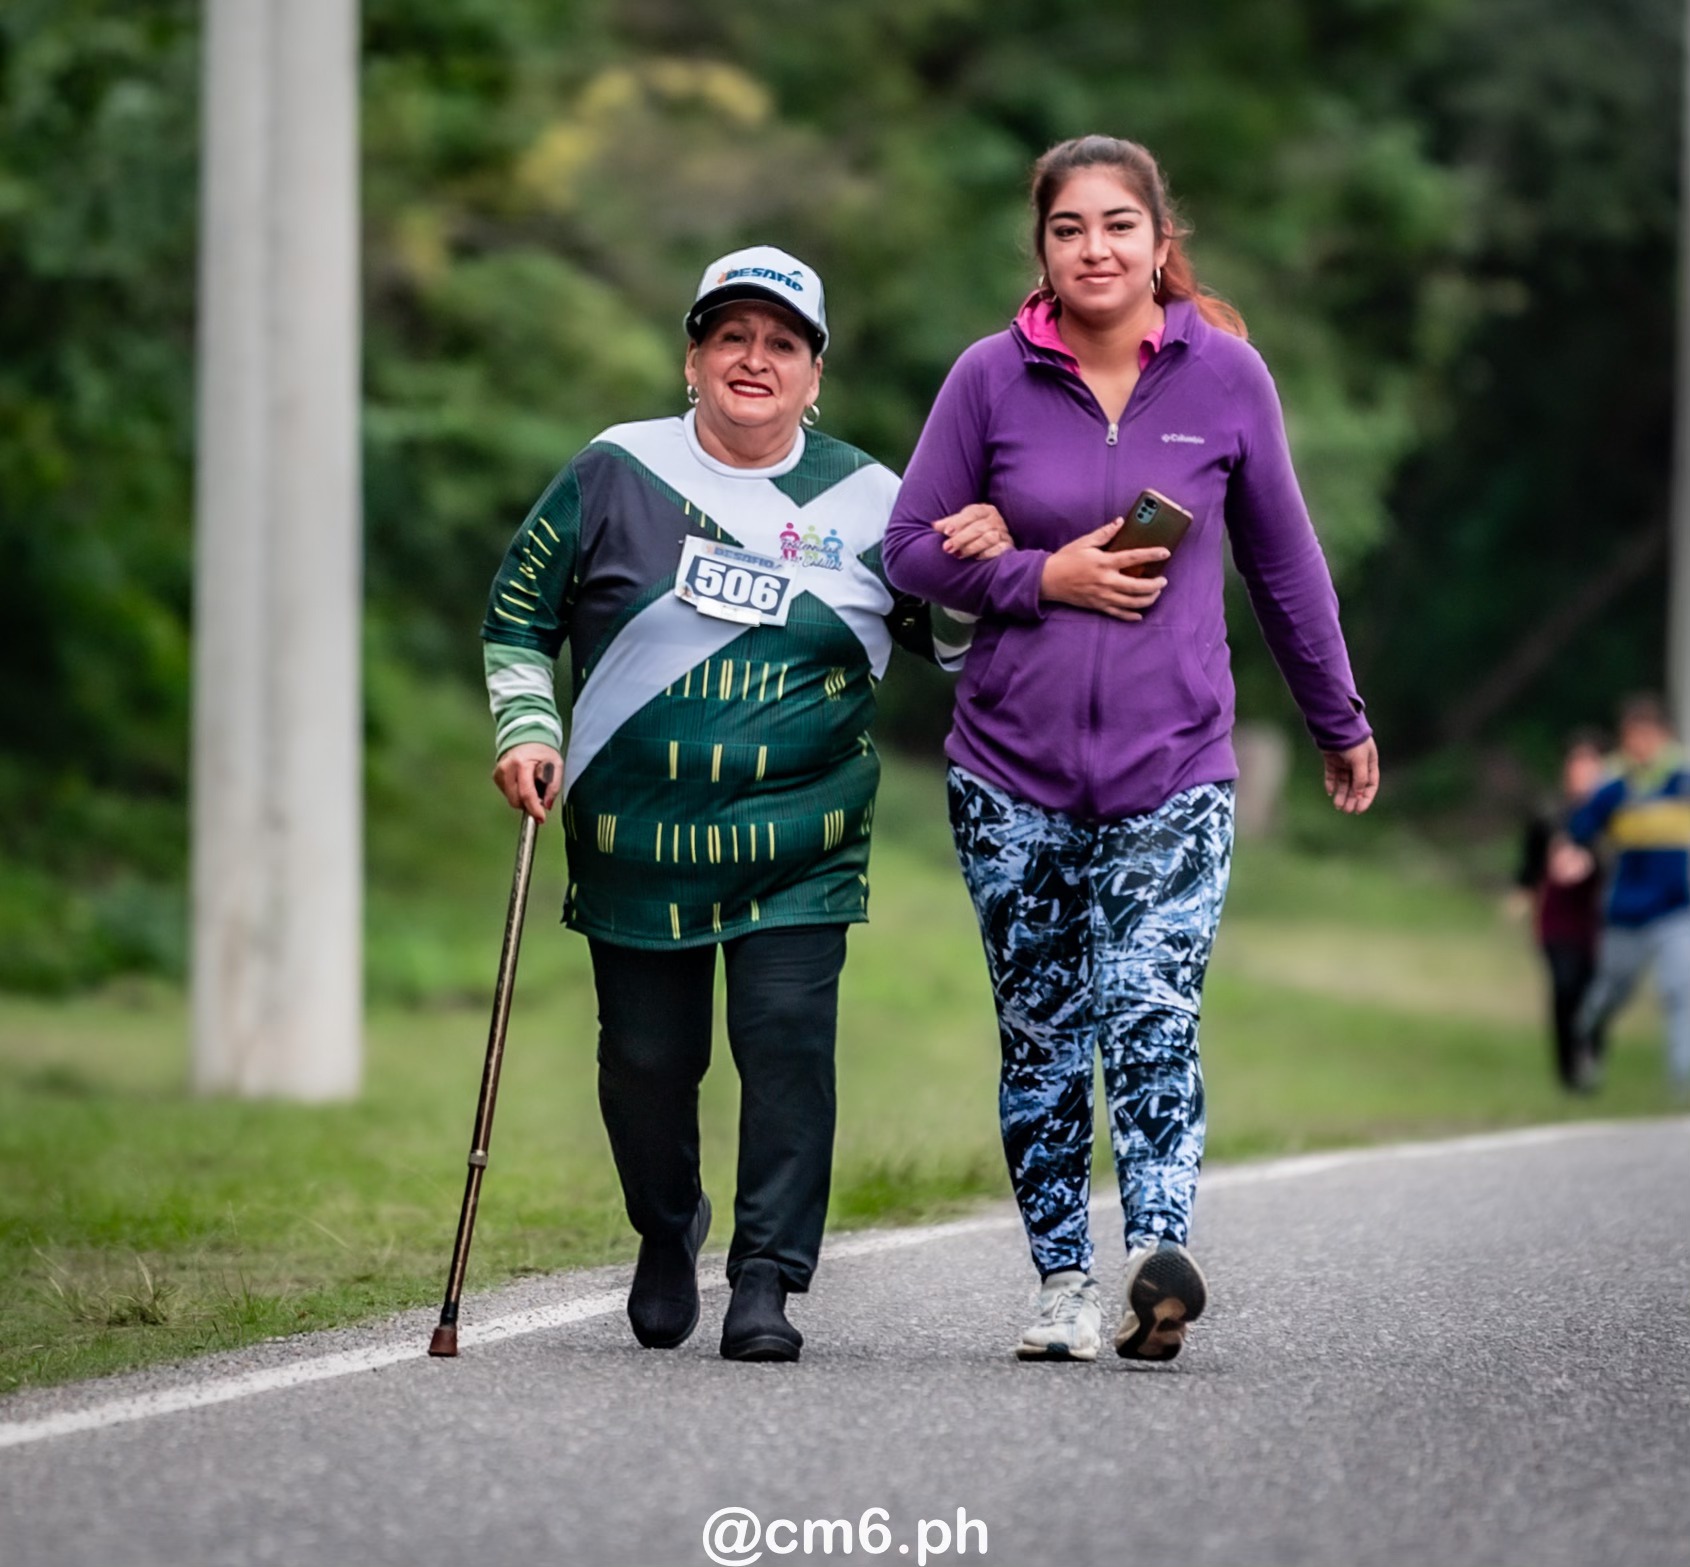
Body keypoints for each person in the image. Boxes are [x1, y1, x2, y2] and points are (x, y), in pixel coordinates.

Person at [883, 135, 1379, 1364]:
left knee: (1152, 1006)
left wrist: (1337, 715)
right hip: (1010, 772)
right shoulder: (988, 378)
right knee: (1044, 1033)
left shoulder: (1225, 379)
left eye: (1117, 225)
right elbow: (906, 549)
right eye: (1068, 228)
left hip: (1174, 766)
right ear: (1041, 249)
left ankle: (1158, 1255)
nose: (1093, 248)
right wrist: (1034, 574)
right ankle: (1060, 1280)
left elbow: (1284, 567)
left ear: (1161, 243)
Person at [480, 246, 999, 1361]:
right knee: (646, 1066)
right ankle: (666, 1225)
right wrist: (526, 726)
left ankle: (767, 1276)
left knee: (787, 1049)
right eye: (731, 337)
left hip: (802, 836)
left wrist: (973, 565)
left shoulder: (874, 499)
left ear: (815, 374)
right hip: (634, 837)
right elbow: (518, 617)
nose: (754, 359)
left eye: (781, 343)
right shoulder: (614, 470)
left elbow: (950, 644)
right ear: (692, 359)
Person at [1566, 694, 1690, 1096]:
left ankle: (1683, 1082)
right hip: (1627, 912)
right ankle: (1586, 1034)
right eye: (1633, 736)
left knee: (1681, 990)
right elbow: (1580, 830)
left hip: (1676, 909)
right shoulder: (1615, 785)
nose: (1640, 744)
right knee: (1612, 992)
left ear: (1663, 736)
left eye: (1647, 735)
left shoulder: (1682, 779)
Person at [1514, 733, 1606, 1090]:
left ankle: (1592, 1053)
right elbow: (1531, 863)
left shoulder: (1613, 813)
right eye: (1577, 765)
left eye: (1590, 766)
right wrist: (1522, 894)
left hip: (1598, 916)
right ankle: (1567, 1068)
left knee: (1595, 990)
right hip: (1556, 917)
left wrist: (1591, 860)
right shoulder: (1550, 814)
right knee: (1564, 986)